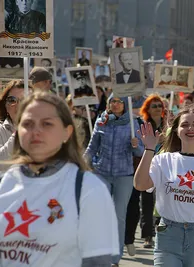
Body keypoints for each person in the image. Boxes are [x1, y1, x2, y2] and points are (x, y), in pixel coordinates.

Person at [0, 92, 119, 266]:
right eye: (27, 124)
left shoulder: (89, 188)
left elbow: (97, 262)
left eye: (47, 124)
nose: (36, 131)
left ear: (67, 132)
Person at [134, 106, 194, 267]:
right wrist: (149, 149)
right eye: (185, 124)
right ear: (176, 130)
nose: (190, 129)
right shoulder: (163, 160)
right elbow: (140, 184)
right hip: (168, 236)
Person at [84, 94, 144, 266]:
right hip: (101, 173)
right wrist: (81, 163)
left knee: (118, 216)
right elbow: (92, 146)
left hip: (124, 175)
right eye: (112, 101)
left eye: (119, 101)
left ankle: (114, 258)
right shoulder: (101, 121)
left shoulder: (133, 123)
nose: (115, 104)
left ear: (125, 105)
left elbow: (140, 152)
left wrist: (135, 145)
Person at [125, 95, 165, 254]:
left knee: (156, 202)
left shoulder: (167, 126)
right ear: (147, 108)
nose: (157, 108)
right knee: (141, 202)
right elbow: (138, 145)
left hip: (162, 167)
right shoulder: (141, 124)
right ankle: (139, 236)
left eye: (159, 105)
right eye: (153, 106)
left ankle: (153, 232)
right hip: (144, 166)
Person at [0, 81, 30, 175]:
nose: (18, 105)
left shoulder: (43, 131)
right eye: (12, 100)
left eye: (24, 100)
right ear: (5, 106)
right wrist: (20, 131)